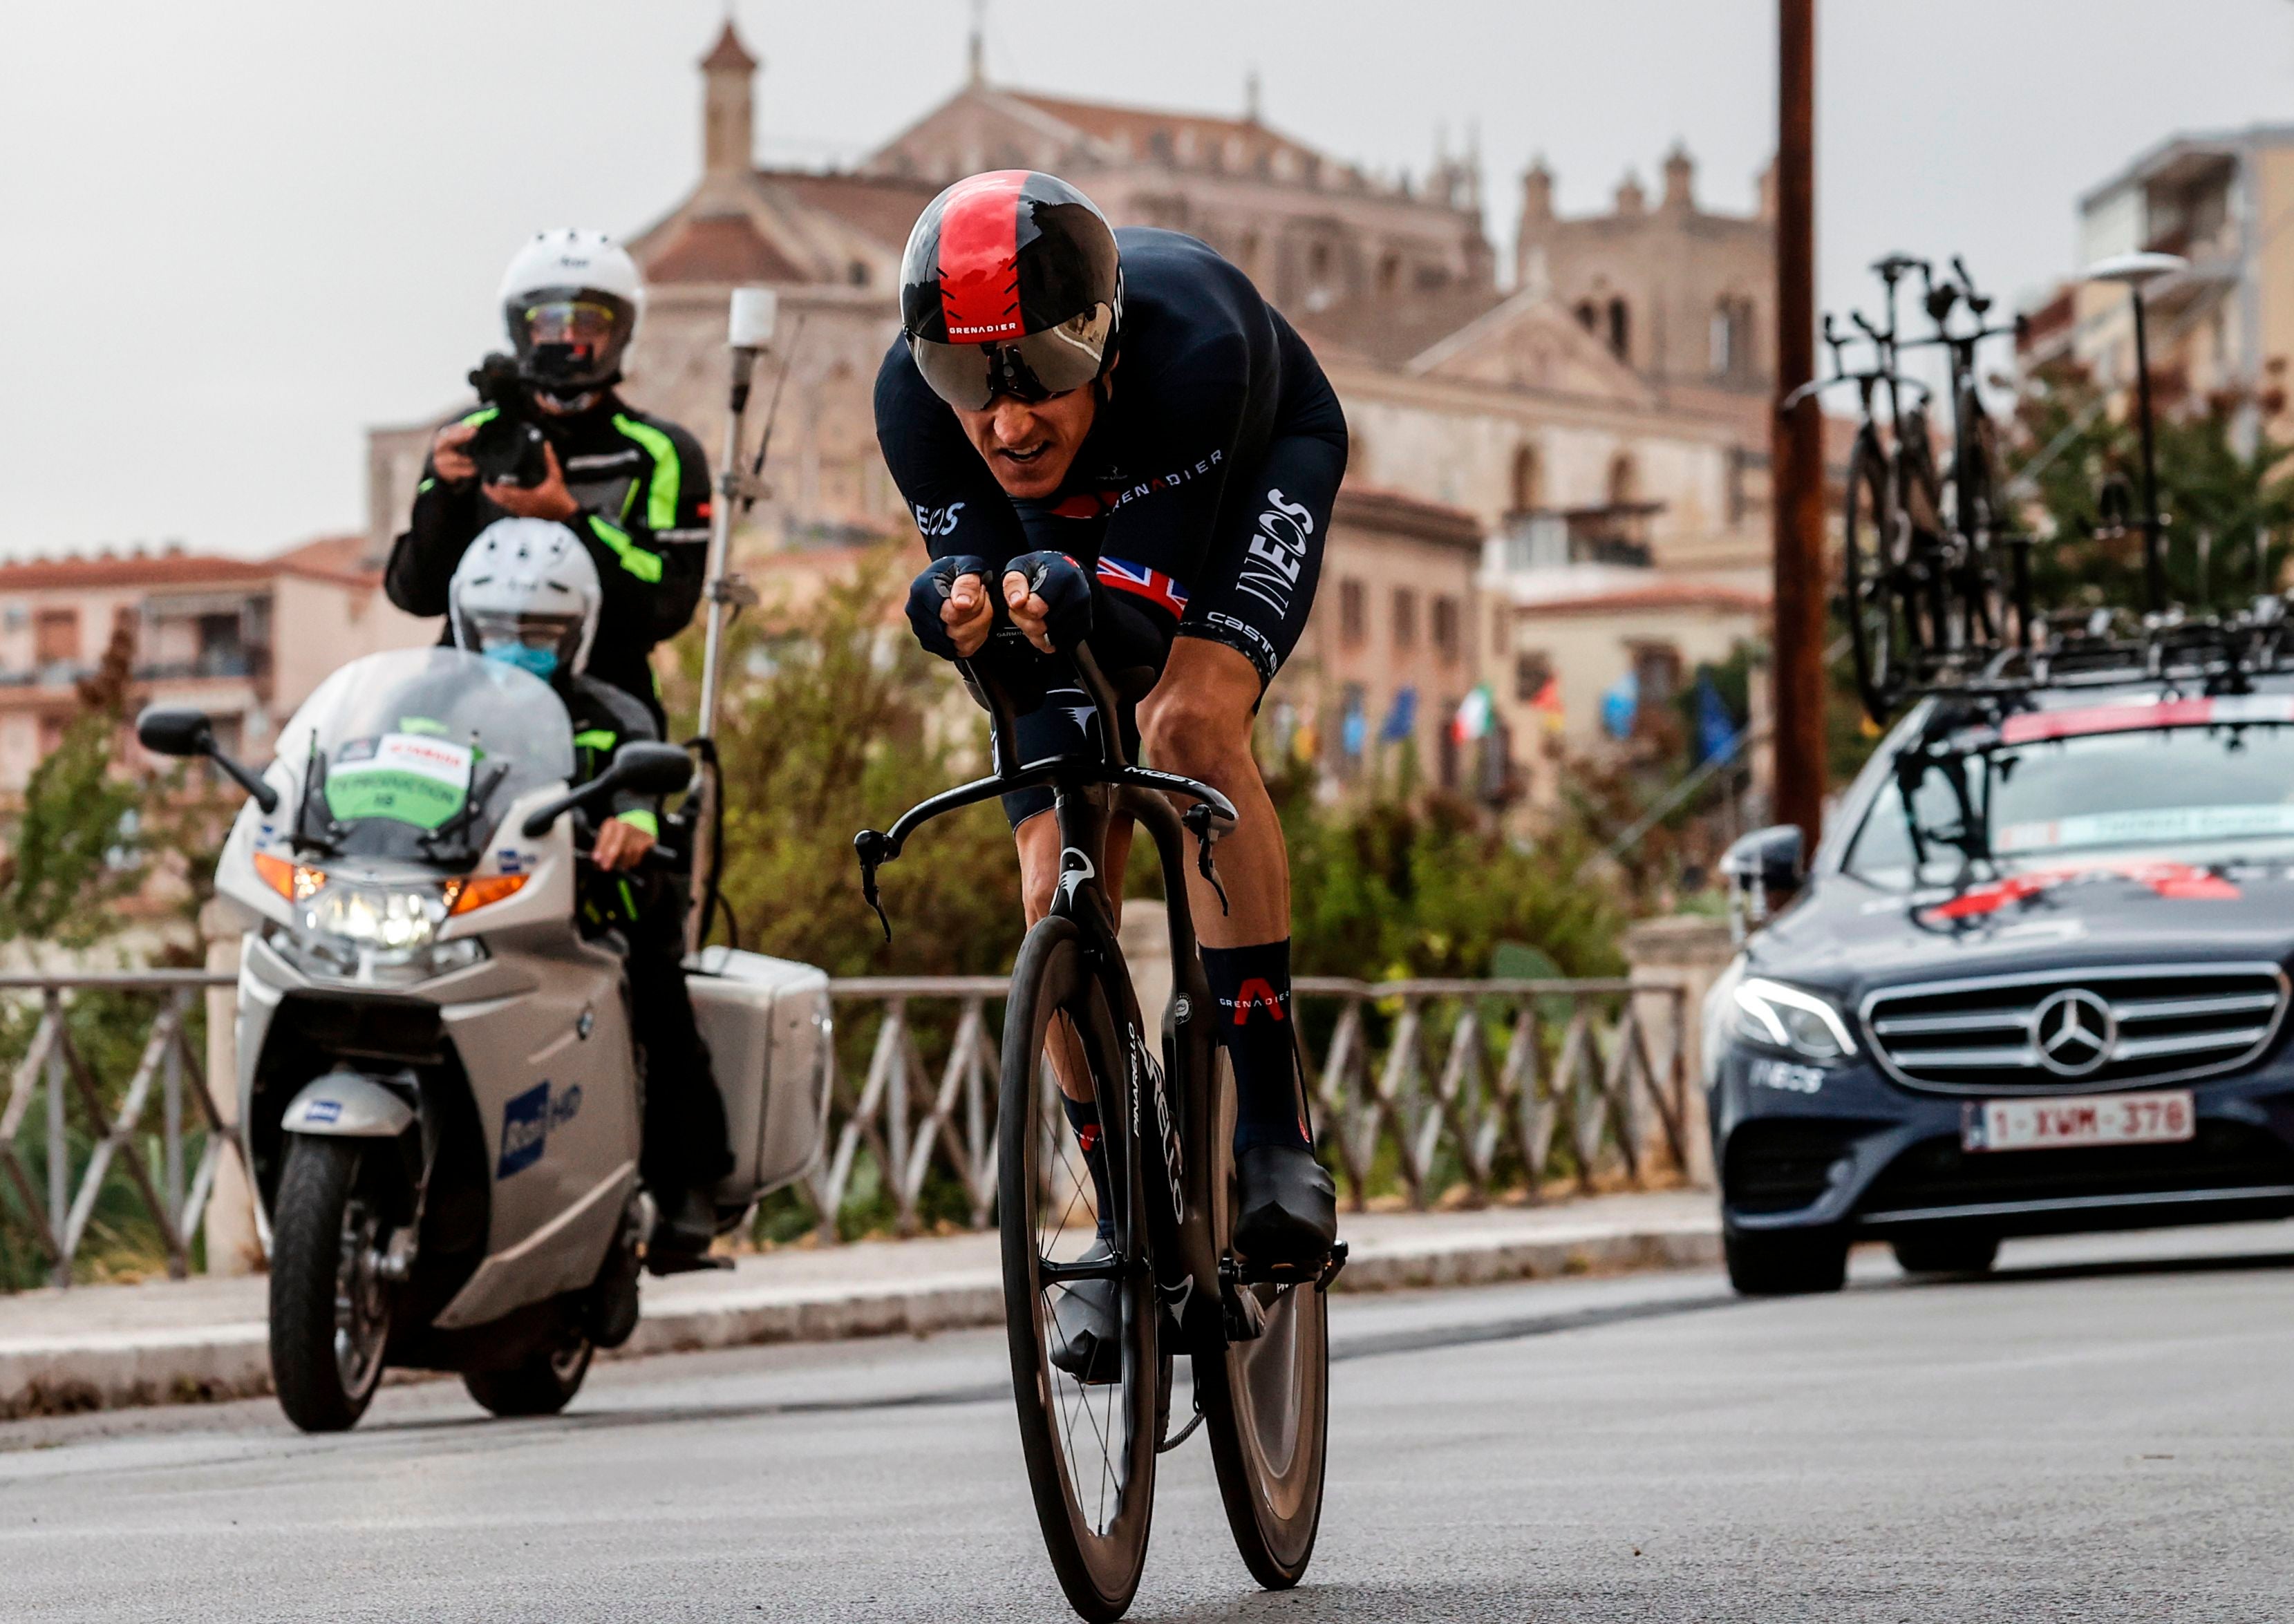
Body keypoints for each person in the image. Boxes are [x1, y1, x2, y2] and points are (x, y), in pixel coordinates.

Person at [875, 170, 1344, 1370]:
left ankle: (1273, 1131)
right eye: (972, 385)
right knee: (1049, 869)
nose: (1008, 423)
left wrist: (1061, 603)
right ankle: (1114, 1217)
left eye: (1037, 375)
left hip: (1241, 467)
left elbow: (1131, 652)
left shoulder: (1188, 356)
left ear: (1100, 342)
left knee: (1183, 726)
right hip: (1076, 541)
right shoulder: (914, 401)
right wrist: (956, 606)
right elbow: (985, 621)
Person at [447, 518, 731, 1263]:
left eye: (540, 628)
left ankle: (689, 1186)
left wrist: (634, 820)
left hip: (596, 904)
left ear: (579, 628)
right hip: (468, 905)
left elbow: (644, 790)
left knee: (659, 999)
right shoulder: (437, 712)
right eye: (497, 626)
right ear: (462, 623)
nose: (517, 642)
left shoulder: (614, 711)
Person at [389, 229, 711, 733]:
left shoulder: (661, 451)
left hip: (605, 710)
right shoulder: (474, 437)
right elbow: (414, 594)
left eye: (587, 323)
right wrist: (443, 492)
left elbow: (669, 603)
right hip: (465, 702)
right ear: (522, 331)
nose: (566, 338)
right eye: (549, 322)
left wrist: (569, 518)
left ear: (620, 332)